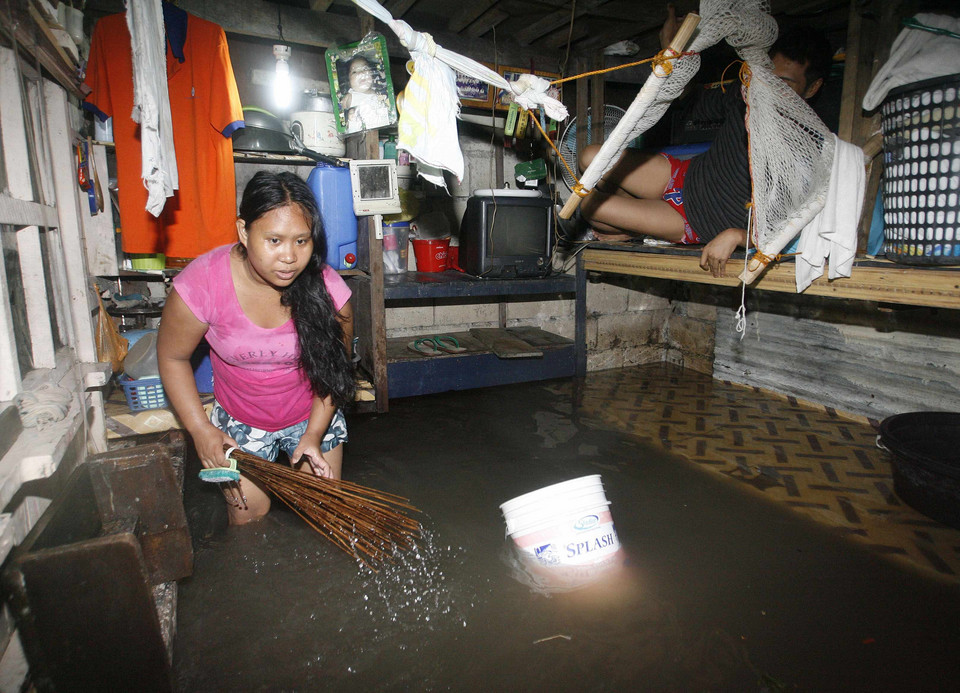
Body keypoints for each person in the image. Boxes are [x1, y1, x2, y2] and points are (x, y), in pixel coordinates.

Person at [576, 5, 832, 278]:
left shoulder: (809, 149)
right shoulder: (750, 90)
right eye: (769, 77)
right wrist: (673, 53)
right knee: (590, 158)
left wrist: (735, 236)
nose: (772, 89)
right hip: (682, 177)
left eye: (785, 83)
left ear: (812, 88)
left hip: (692, 221)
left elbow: (790, 229)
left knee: (588, 207)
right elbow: (690, 102)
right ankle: (629, 222)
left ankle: (633, 227)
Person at [157, 171, 355, 525]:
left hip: (312, 414)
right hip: (241, 423)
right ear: (244, 232)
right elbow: (172, 357)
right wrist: (200, 429)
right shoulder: (203, 284)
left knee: (323, 513)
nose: (290, 257)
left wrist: (312, 435)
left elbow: (333, 374)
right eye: (275, 240)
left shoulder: (328, 292)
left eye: (302, 241)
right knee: (249, 520)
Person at [339, 54, 391, 133]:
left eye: (365, 68)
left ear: (372, 72)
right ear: (348, 81)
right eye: (354, 72)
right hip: (359, 134)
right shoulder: (350, 96)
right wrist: (350, 115)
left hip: (379, 129)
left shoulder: (379, 93)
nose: (361, 73)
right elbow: (340, 109)